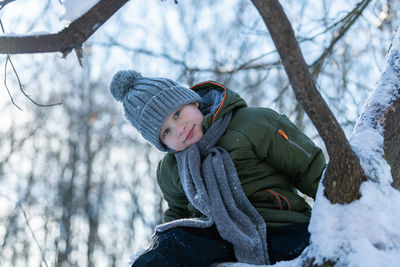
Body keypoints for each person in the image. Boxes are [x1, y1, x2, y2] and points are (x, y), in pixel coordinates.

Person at [109, 70, 326, 266]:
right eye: (166, 132)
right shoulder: (171, 170)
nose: (179, 129)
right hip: (218, 236)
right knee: (169, 245)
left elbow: (308, 168)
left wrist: (340, 208)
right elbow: (179, 212)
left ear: (193, 103)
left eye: (177, 114)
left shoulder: (253, 123)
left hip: (279, 224)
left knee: (302, 252)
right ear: (162, 145)